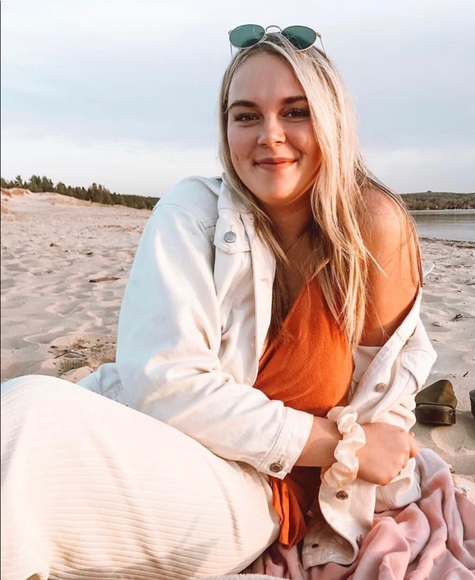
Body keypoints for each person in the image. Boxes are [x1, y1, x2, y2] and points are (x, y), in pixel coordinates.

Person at [1, 24, 436, 578]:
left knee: (26, 423)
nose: (270, 135)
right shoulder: (192, 212)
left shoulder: (373, 226)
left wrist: (355, 482)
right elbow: (165, 383)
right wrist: (339, 445)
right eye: (246, 116)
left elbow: (386, 402)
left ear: (332, 120)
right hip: (149, 438)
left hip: (253, 492)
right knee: (22, 420)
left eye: (296, 112)